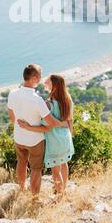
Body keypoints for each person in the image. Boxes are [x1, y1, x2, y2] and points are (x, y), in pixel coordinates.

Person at [7, 64, 68, 202]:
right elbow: (51, 123)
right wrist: (64, 124)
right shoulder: (37, 100)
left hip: (18, 137)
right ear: (34, 78)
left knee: (21, 162)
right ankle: (35, 198)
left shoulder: (12, 93)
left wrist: (21, 128)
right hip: (35, 140)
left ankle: (22, 188)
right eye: (40, 76)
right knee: (35, 169)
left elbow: (12, 118)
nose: (41, 79)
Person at [18, 74, 74, 199]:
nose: (44, 84)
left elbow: (47, 127)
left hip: (54, 139)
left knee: (55, 171)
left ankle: (60, 196)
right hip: (66, 137)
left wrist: (28, 127)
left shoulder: (48, 104)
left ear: (54, 86)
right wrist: (69, 133)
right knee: (64, 164)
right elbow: (70, 121)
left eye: (47, 82)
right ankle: (63, 189)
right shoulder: (68, 100)